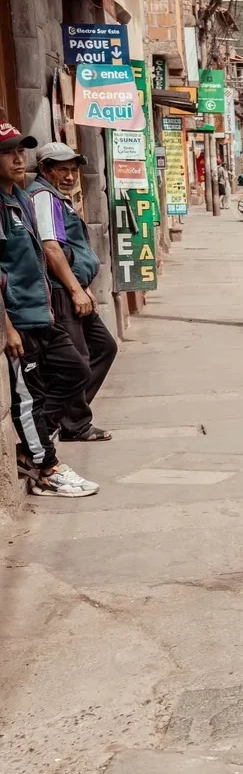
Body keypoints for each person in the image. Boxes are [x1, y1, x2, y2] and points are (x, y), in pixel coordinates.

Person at [0, 124, 96, 497]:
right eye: (9, 153)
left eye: (21, 151)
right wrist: (6, 328)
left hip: (41, 314)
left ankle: (37, 437)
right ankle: (46, 467)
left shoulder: (21, 198)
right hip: (18, 320)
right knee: (27, 398)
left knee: (76, 370)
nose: (18, 158)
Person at [29, 142, 117, 443]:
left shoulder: (59, 198)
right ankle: (72, 423)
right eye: (62, 170)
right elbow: (50, 248)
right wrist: (75, 290)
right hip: (60, 292)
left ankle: (69, 417)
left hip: (74, 289)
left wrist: (85, 288)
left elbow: (71, 251)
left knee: (104, 346)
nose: (69, 176)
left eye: (73, 170)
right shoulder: (43, 196)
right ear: (45, 170)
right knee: (78, 359)